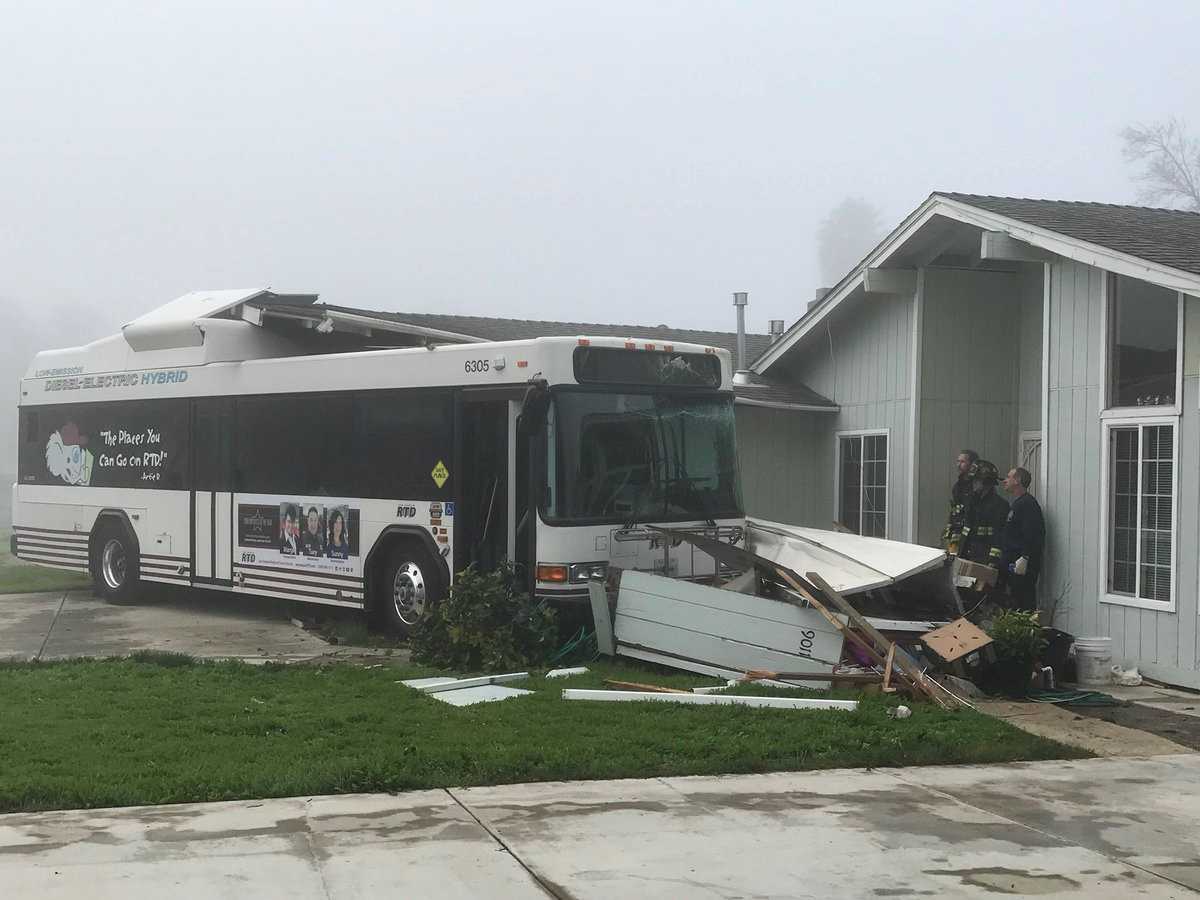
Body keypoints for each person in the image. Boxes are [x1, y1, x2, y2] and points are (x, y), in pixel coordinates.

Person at [1001, 466, 1045, 612]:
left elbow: (1032, 533)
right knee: (1013, 601)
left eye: (1009, 477)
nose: (1005, 480)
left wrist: (1025, 557)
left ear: (1018, 480)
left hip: (1022, 564)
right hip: (1013, 562)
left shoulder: (1028, 504)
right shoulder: (1017, 503)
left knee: (1024, 601)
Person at [957, 460, 1010, 569]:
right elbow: (961, 527)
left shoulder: (1000, 505)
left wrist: (993, 560)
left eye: (976, 480)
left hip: (984, 558)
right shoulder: (970, 500)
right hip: (965, 554)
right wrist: (955, 550)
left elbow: (999, 536)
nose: (973, 483)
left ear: (987, 482)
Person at [942, 449, 979, 555]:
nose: (958, 465)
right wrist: (948, 531)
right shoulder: (958, 486)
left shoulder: (978, 486)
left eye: (962, 462)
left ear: (972, 465)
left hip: (973, 537)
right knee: (952, 556)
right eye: (958, 461)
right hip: (957, 531)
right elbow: (955, 511)